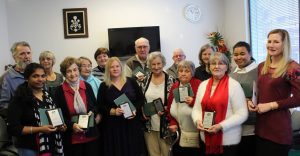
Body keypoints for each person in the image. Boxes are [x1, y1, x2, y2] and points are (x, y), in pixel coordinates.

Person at [248, 29, 300, 156]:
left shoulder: (292, 68)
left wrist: (271, 105)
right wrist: (251, 101)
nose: (271, 45)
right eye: (269, 41)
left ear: (284, 44)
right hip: (261, 128)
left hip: (278, 130)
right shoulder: (262, 66)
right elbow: (262, 92)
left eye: (276, 41)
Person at [192, 52, 248, 156]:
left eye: (221, 63)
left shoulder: (234, 85)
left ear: (227, 66)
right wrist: (198, 120)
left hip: (227, 141)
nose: (216, 66)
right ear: (209, 67)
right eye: (213, 63)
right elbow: (196, 109)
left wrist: (221, 126)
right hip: (206, 138)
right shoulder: (203, 85)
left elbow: (242, 113)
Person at [7, 63, 65, 156]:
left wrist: (61, 126)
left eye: (43, 76)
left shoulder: (48, 96)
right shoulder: (19, 99)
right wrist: (40, 129)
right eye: (35, 76)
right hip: (29, 148)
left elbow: (54, 117)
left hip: (52, 144)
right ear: (27, 78)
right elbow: (13, 129)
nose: (40, 79)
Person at [97, 57, 146, 156]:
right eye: (112, 67)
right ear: (108, 70)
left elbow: (141, 99)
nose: (115, 69)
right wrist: (113, 111)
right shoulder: (104, 85)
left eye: (117, 66)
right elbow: (100, 105)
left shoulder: (131, 81)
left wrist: (134, 109)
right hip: (113, 127)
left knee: (133, 150)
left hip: (131, 123)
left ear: (121, 67)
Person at [55, 57, 101, 156]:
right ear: (64, 73)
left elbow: (95, 106)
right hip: (71, 137)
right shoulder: (59, 91)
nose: (73, 74)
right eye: (69, 71)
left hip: (91, 134)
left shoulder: (87, 86)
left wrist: (93, 112)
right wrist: (72, 126)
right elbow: (59, 115)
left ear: (79, 70)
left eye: (75, 70)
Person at [167, 60, 203, 156]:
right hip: (179, 133)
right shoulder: (175, 86)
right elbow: (169, 108)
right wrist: (173, 122)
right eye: (181, 71)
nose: (183, 73)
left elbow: (206, 105)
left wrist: (193, 101)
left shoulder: (199, 84)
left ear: (192, 73)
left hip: (197, 133)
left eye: (187, 71)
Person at [142, 52, 175, 156]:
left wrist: (167, 109)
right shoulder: (144, 80)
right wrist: (142, 110)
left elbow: (176, 103)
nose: (156, 67)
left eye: (158, 64)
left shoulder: (171, 80)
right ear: (149, 65)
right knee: (153, 154)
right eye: (153, 64)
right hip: (149, 126)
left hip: (166, 125)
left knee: (166, 153)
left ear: (163, 64)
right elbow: (140, 100)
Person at [230, 41, 258, 156]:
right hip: (233, 125)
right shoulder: (231, 73)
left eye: (242, 54)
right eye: (235, 55)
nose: (238, 57)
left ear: (250, 54)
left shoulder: (259, 71)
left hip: (250, 126)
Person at [0, 41, 32, 112]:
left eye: (28, 53)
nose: (26, 56)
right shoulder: (6, 78)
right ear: (14, 57)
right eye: (22, 54)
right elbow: (3, 105)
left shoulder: (37, 72)